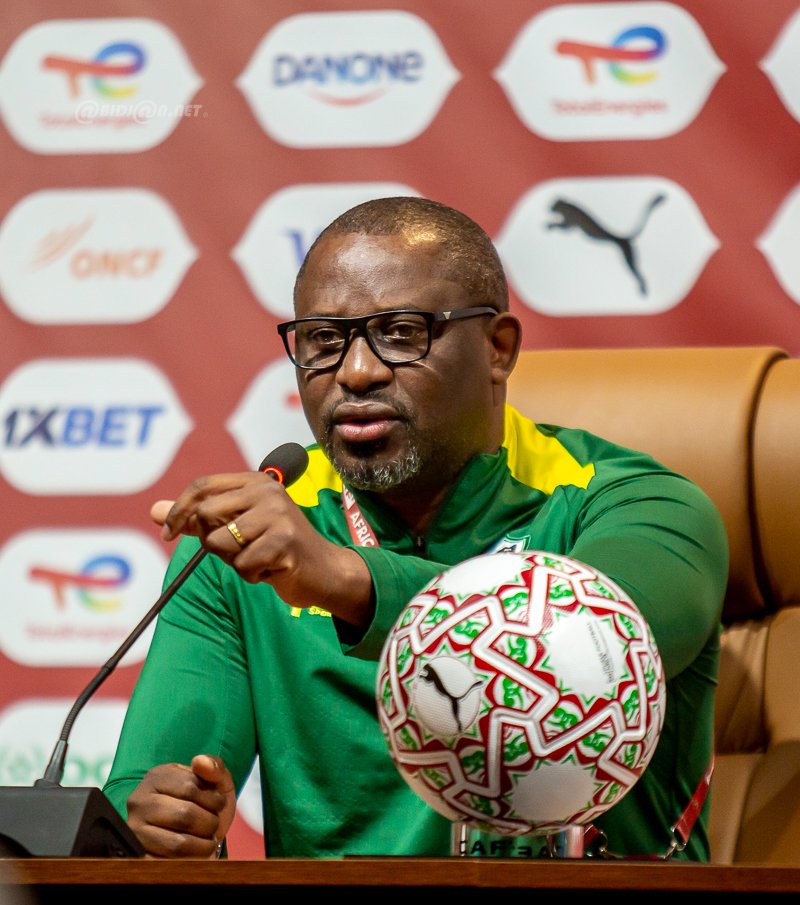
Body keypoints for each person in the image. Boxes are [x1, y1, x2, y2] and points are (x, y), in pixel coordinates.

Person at [103, 196, 728, 861]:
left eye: (402, 333)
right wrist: (162, 823)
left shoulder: (637, 504)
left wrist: (344, 578)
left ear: (498, 349)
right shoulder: (243, 548)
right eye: (323, 341)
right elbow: (145, 794)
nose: (356, 372)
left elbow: (588, 653)